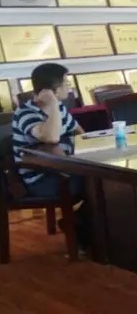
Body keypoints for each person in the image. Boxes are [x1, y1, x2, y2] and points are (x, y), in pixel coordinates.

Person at [12, 63, 88, 249]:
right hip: (41, 179)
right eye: (66, 83)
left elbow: (79, 132)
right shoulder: (26, 113)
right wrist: (52, 104)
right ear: (51, 90)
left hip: (62, 170)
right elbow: (51, 137)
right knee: (98, 184)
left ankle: (80, 225)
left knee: (105, 182)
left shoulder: (59, 108)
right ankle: (81, 230)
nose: (70, 87)